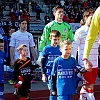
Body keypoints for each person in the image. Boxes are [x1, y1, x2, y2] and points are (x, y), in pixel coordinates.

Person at [72, 9, 99, 100]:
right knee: (89, 84)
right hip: (85, 62)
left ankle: (82, 96)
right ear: (86, 17)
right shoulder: (80, 31)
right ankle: (91, 98)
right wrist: (73, 61)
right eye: (91, 18)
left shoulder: (97, 31)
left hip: (95, 62)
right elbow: (74, 46)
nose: (93, 20)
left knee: (91, 84)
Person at [9, 18, 36, 98]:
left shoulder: (29, 35)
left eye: (25, 24)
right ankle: (18, 91)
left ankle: (25, 94)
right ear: (19, 24)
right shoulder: (15, 35)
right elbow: (12, 47)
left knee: (26, 77)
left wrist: (34, 58)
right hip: (18, 59)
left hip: (27, 60)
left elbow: (32, 47)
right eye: (23, 23)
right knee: (19, 77)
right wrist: (12, 59)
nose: (24, 25)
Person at [82, 7, 100, 100]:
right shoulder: (98, 13)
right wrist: (85, 58)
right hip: (90, 61)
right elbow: (90, 38)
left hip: (95, 61)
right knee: (90, 83)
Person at [41, 30, 61, 100]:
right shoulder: (46, 49)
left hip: (59, 73)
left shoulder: (60, 49)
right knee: (53, 91)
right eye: (55, 39)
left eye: (58, 39)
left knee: (59, 91)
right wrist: (43, 74)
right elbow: (42, 62)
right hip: (49, 72)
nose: (56, 41)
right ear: (50, 38)